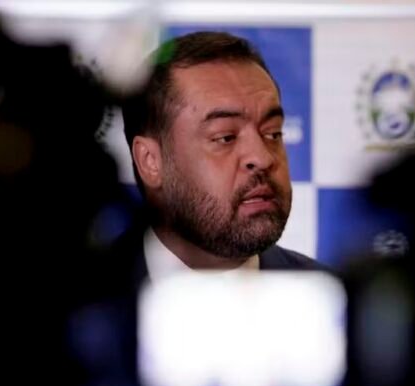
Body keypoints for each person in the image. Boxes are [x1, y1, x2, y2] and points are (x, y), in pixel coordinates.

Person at [119, 31, 323, 281]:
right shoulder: (83, 299)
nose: (262, 158)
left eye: (272, 133)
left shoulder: (331, 295)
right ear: (150, 161)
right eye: (225, 137)